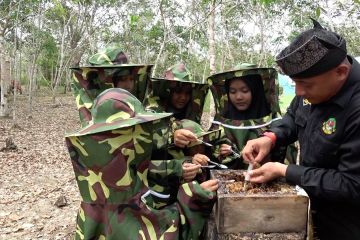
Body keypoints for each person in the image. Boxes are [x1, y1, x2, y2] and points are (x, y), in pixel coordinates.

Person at [242, 19, 360, 240]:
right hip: (310, 206)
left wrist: (285, 171)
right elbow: (293, 117)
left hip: (348, 222)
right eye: (294, 82)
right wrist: (271, 137)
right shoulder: (313, 91)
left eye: (306, 84)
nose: (298, 92)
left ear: (341, 72)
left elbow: (352, 184)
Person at [65, 88, 219, 239]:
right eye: (140, 131)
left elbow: (145, 170)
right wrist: (194, 197)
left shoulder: (108, 167)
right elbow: (159, 232)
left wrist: (178, 166)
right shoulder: (119, 192)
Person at [71, 45, 152, 126]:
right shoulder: (88, 95)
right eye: (122, 79)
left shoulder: (138, 103)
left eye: (131, 79)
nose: (129, 85)